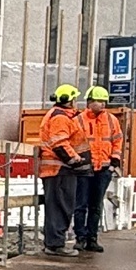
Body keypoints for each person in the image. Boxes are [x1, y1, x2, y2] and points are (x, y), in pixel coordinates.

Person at [37, 84, 89, 255]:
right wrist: (75, 159)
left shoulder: (61, 116)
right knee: (60, 206)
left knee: (58, 205)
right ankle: (55, 244)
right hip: (60, 170)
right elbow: (59, 143)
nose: (76, 102)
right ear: (69, 100)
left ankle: (54, 242)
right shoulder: (61, 118)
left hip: (59, 170)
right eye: (74, 98)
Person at [74, 86, 123, 253]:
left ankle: (92, 238)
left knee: (95, 206)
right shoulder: (79, 120)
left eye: (103, 101)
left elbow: (117, 142)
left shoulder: (112, 120)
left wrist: (113, 163)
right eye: (98, 101)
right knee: (81, 205)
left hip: (103, 169)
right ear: (89, 102)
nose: (101, 104)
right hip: (84, 169)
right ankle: (80, 238)